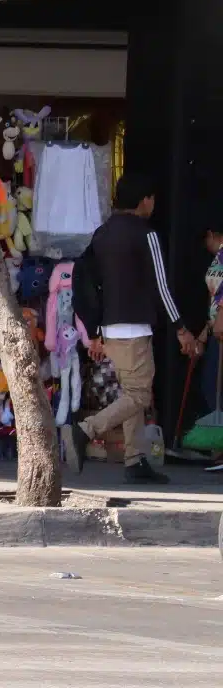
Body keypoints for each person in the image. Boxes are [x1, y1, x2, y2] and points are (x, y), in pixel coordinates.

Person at [64, 172, 196, 485]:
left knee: (131, 394)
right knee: (139, 395)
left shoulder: (102, 234)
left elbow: (88, 284)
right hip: (136, 327)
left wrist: (94, 330)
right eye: (152, 198)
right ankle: (85, 430)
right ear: (144, 200)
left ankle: (135, 460)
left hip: (109, 329)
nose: (153, 204)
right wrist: (181, 328)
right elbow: (161, 287)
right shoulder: (146, 234)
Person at [196, 219, 223, 473]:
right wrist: (205, 332)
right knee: (210, 384)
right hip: (215, 329)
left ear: (211, 233)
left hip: (222, 329)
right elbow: (213, 300)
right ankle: (218, 446)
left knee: (214, 384)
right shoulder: (217, 259)